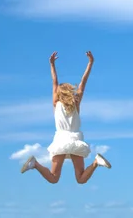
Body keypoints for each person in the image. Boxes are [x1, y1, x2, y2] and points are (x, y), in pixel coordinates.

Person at [20, 50, 112, 184]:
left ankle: (35, 164)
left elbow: (54, 81)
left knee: (54, 178)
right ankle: (96, 162)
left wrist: (51, 64)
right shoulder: (76, 103)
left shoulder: (55, 103)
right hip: (75, 140)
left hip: (60, 140)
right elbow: (83, 82)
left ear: (58, 93)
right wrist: (90, 62)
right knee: (80, 179)